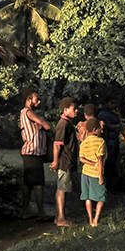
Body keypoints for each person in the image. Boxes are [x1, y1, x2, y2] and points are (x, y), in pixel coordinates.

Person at [19, 88, 51, 219]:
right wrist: (42, 124)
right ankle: (40, 212)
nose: (38, 101)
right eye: (36, 98)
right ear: (28, 99)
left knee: (29, 183)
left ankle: (26, 210)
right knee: (38, 183)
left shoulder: (25, 113)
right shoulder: (28, 112)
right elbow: (46, 125)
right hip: (33, 152)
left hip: (30, 152)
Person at [50, 96, 78, 226]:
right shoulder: (63, 124)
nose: (76, 111)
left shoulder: (68, 123)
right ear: (65, 109)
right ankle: (61, 218)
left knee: (63, 188)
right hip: (64, 161)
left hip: (68, 160)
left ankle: (59, 216)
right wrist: (55, 161)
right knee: (62, 188)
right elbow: (57, 144)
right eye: (74, 108)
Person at [78, 118, 107, 226]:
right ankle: (96, 219)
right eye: (100, 129)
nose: (102, 131)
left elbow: (81, 159)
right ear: (95, 130)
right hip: (95, 173)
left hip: (85, 173)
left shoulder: (83, 143)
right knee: (101, 197)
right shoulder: (101, 142)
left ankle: (90, 219)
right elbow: (100, 159)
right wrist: (100, 176)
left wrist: (90, 163)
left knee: (88, 197)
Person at [97, 102, 123, 192]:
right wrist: (118, 126)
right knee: (108, 163)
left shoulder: (113, 114)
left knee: (114, 163)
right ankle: (107, 185)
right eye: (112, 103)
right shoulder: (103, 115)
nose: (114, 105)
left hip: (115, 141)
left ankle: (113, 185)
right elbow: (108, 126)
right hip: (108, 141)